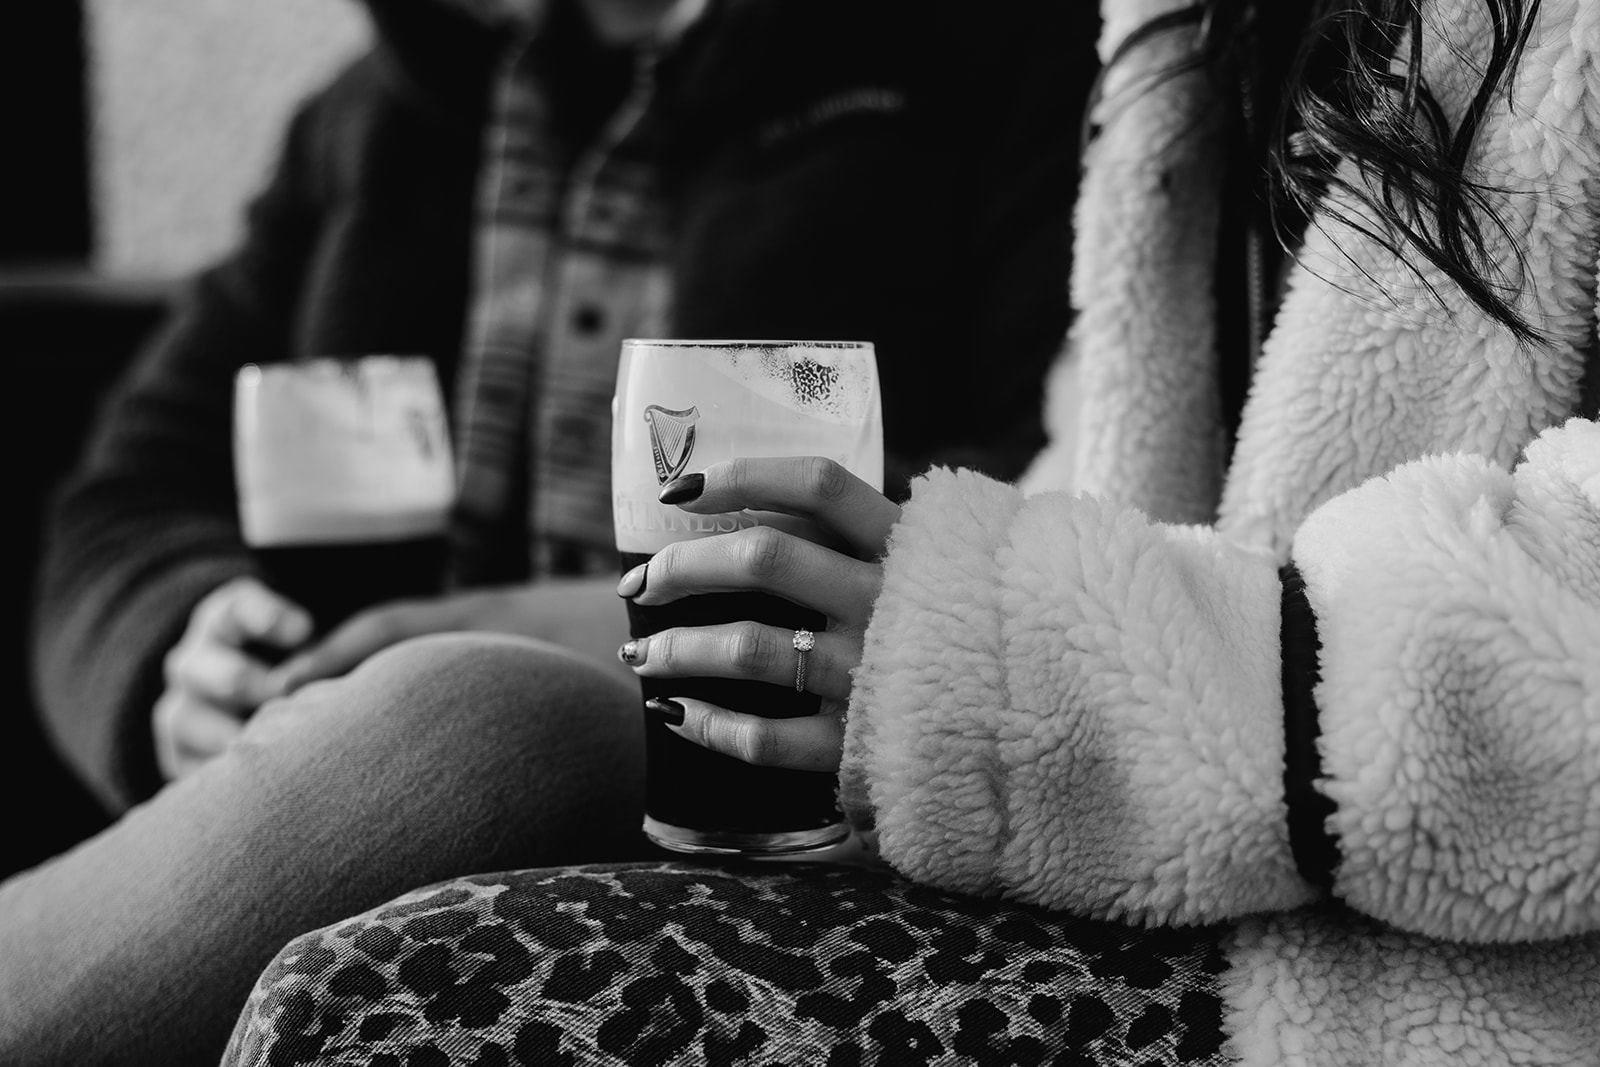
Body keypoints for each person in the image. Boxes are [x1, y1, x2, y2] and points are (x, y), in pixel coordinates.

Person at [220, 0, 1600, 1062]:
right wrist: (179, 629)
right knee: (446, 729)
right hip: (1155, 862)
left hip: (1446, 964)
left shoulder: (971, 51)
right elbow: (1123, 466)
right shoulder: (1178, 35)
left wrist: (984, 649)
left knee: (405, 954)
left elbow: (1006, 501)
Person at [1, 0, 1095, 1061]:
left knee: (462, 722)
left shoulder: (993, 60)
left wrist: (623, 623)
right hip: (339, 758)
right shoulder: (370, 112)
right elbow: (129, 493)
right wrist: (173, 649)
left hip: (748, 785)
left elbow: (1070, 475)